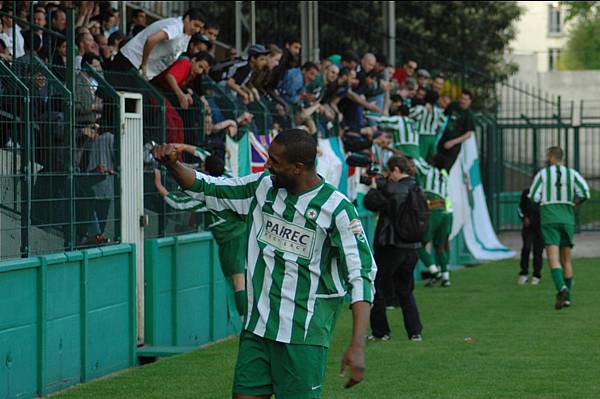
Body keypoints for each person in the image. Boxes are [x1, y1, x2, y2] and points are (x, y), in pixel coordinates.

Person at [153, 129, 376, 398]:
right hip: (257, 330)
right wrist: (173, 164)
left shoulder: (337, 209)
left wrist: (358, 345)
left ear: (298, 168)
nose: (267, 165)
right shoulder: (263, 187)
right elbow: (207, 187)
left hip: (303, 336)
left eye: (274, 161)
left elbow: (361, 275)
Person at [154, 146, 248, 315]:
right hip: (245, 232)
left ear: (205, 170)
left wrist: (159, 184)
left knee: (237, 280)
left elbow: (179, 203)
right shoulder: (228, 176)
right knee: (247, 276)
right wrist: (183, 147)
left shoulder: (207, 196)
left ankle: (245, 320)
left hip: (229, 239)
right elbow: (208, 156)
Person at [363, 156, 424, 342]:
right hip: (412, 246)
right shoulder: (417, 188)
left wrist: (373, 187)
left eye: (390, 172)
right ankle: (415, 332)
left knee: (377, 287)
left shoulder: (390, 189)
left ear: (396, 170)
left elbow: (370, 203)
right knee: (405, 290)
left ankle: (381, 332)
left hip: (391, 245)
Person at [528, 146, 590, 309]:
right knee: (566, 260)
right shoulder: (572, 173)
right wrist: (574, 205)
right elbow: (585, 193)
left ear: (550, 156)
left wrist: (542, 205)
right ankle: (568, 298)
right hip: (567, 217)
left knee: (553, 258)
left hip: (549, 217)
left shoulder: (542, 174)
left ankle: (561, 288)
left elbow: (533, 196)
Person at [112, 8, 205, 80]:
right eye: (195, 25)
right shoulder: (176, 26)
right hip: (129, 61)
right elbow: (152, 40)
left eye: (200, 28)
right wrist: (144, 64)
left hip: (140, 70)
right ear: (187, 18)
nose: (197, 30)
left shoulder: (187, 34)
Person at [414, 155, 453, 287]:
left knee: (419, 244)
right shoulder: (445, 176)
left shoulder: (429, 170)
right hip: (445, 211)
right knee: (440, 246)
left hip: (432, 210)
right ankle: (446, 277)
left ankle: (434, 271)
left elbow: (415, 160)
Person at [410, 90, 447, 162]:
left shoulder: (420, 108)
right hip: (432, 137)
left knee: (420, 159)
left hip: (422, 136)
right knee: (432, 159)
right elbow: (442, 122)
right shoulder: (438, 111)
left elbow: (410, 114)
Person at [517, 188, 543, 285]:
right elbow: (520, 207)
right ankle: (524, 273)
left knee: (538, 251)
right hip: (528, 227)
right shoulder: (526, 192)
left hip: (541, 227)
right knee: (526, 248)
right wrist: (524, 218)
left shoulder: (545, 192)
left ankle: (536, 275)